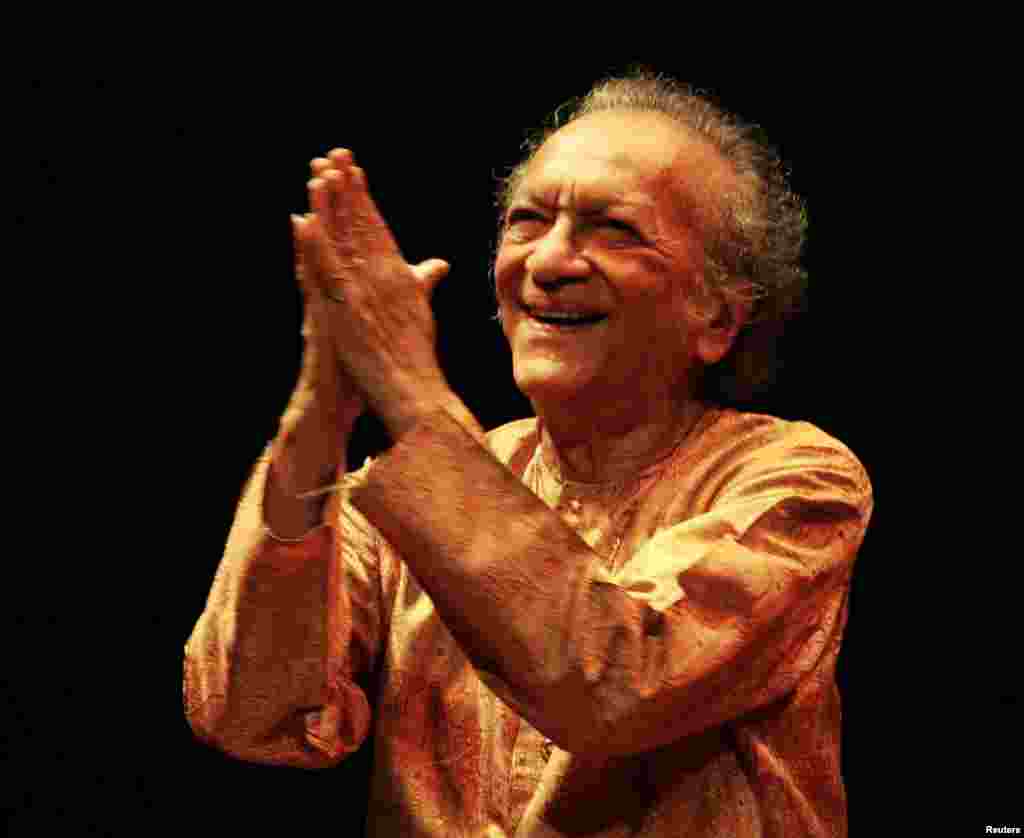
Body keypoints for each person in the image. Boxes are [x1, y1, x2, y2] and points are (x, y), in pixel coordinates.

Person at [184, 71, 873, 837]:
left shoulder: (798, 481)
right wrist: (321, 406)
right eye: (527, 221)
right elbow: (253, 716)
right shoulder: (423, 489)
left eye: (614, 229)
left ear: (716, 315)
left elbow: (620, 682)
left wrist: (412, 390)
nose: (548, 261)